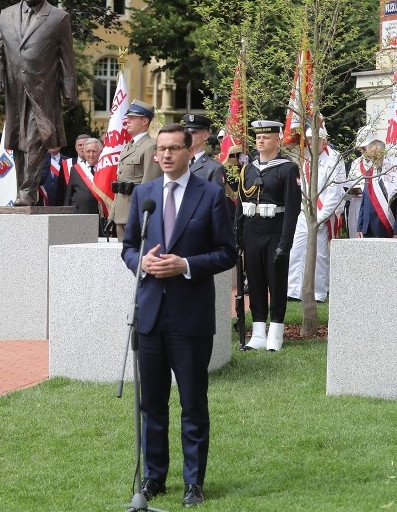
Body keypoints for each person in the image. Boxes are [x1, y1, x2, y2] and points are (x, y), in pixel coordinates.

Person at [121, 123, 235, 508]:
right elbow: (128, 249)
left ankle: (193, 483)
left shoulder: (212, 196)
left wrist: (185, 264)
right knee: (151, 404)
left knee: (192, 404)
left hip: (190, 319)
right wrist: (144, 263)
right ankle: (153, 478)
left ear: (190, 151)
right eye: (162, 149)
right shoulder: (144, 195)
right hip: (150, 315)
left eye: (174, 148)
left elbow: (226, 252)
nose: (166, 155)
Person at [0, 0, 77, 206]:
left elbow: (66, 57)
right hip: (14, 90)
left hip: (43, 90)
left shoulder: (58, 18)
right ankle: (22, 190)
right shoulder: (6, 15)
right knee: (16, 140)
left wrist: (70, 89)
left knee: (36, 138)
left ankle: (28, 191)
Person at [239, 121, 301, 352]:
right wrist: (239, 237)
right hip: (252, 232)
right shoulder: (249, 168)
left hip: (275, 233)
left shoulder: (287, 168)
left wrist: (286, 242)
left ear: (277, 139)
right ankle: (257, 334)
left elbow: (293, 209)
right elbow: (241, 204)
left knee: (276, 282)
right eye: (257, 137)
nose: (260, 140)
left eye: (266, 137)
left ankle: (275, 333)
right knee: (254, 282)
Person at [287, 125, 346, 303]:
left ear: (324, 141)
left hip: (322, 214)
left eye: (315, 139)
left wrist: (321, 219)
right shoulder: (305, 159)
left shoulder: (333, 160)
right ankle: (294, 290)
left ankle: (319, 293)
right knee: (297, 249)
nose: (311, 143)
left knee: (320, 254)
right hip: (304, 212)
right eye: (309, 139)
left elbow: (334, 194)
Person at [107, 100, 162, 239]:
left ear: (144, 121)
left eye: (132, 118)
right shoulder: (127, 147)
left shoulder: (151, 147)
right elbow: (120, 184)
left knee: (138, 257)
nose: (127, 121)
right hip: (121, 214)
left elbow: (150, 184)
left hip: (136, 214)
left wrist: (144, 215)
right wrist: (112, 215)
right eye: (127, 117)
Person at [356, 139, 397, 238]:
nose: (372, 160)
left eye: (375, 156)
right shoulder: (370, 173)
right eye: (370, 156)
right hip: (367, 228)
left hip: (385, 227)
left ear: (383, 154)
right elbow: (364, 200)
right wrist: (360, 226)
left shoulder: (394, 174)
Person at [64, 137, 107, 234]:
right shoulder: (76, 169)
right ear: (84, 152)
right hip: (80, 214)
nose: (91, 155)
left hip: (100, 217)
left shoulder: (105, 169)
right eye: (88, 151)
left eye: (94, 151)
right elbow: (68, 195)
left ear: (100, 152)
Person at [184, 113, 224, 189]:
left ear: (205, 135)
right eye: (187, 132)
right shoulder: (178, 162)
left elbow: (217, 199)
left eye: (193, 132)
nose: (188, 136)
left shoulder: (214, 168)